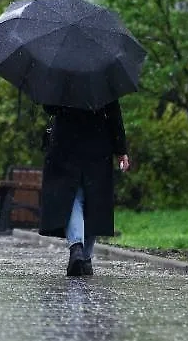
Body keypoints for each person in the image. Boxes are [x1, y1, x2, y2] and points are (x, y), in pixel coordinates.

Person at [39, 100, 130, 276]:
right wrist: (121, 149)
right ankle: (85, 257)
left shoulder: (61, 82)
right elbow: (113, 113)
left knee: (72, 197)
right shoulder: (102, 83)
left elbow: (49, 107)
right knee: (93, 199)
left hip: (65, 141)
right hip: (97, 142)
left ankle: (77, 249)